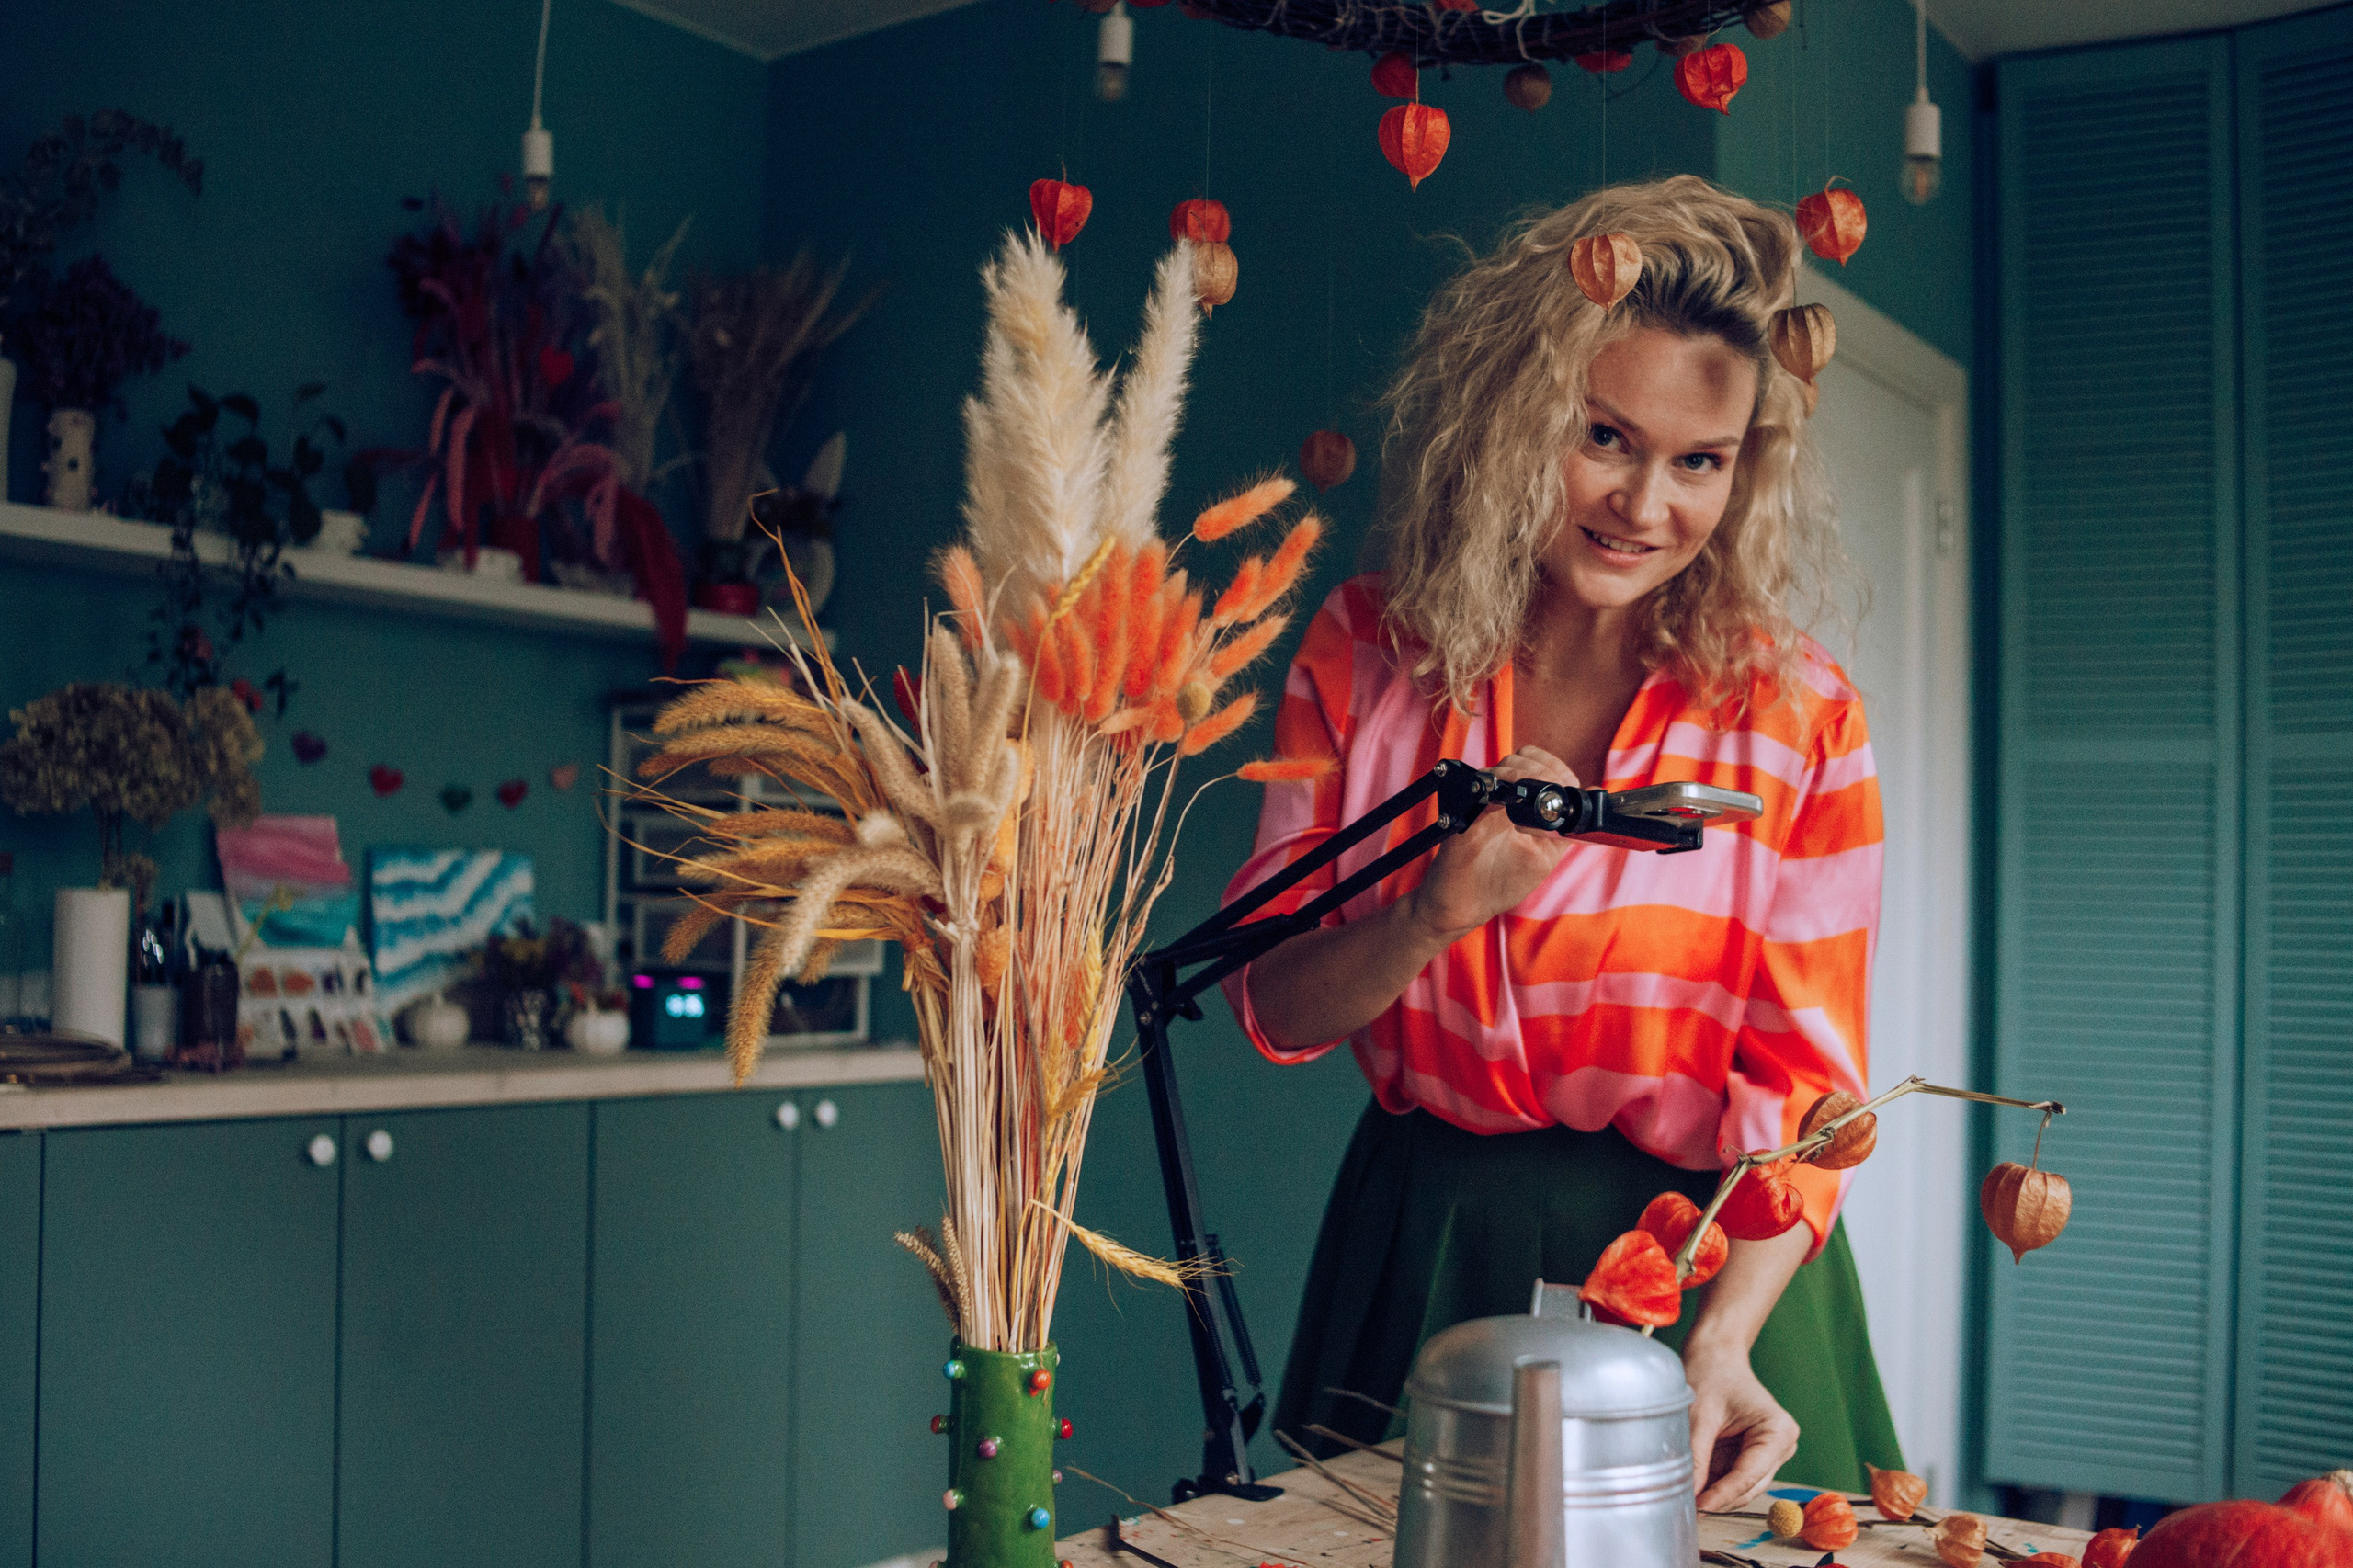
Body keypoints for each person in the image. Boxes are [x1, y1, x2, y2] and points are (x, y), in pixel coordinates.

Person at [1218, 175, 1902, 1509]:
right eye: (1604, 436)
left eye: (1700, 461)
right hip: (1428, 1245)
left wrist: (1718, 1344)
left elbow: (1812, 1100)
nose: (1647, 503)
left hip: (1719, 1275)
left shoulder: (1801, 714)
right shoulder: (1368, 652)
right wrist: (1429, 916)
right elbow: (1273, 998)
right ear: (1515, 420)